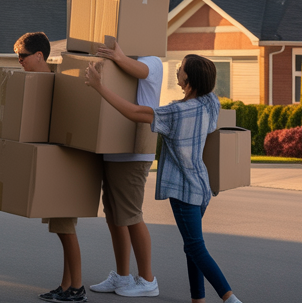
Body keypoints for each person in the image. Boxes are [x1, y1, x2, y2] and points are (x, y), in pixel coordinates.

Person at [84, 53, 246, 303]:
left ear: (188, 78)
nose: (177, 72)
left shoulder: (175, 113)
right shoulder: (210, 103)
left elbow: (135, 112)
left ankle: (230, 298)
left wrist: (99, 86)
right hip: (202, 186)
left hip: (183, 189)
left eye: (180, 69)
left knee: (194, 246)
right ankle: (198, 299)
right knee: (192, 245)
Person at [14, 32, 86, 303]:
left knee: (66, 230)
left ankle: (77, 289)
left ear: (39, 56)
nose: (19, 61)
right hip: (54, 163)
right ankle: (66, 285)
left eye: (22, 56)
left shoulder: (55, 83)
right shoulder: (40, 83)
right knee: (62, 229)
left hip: (64, 165)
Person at [87, 41, 162, 298]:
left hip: (134, 150)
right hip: (112, 148)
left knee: (131, 214)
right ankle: (122, 275)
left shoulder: (152, 60)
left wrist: (118, 56)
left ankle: (148, 280)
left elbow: (140, 71)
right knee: (114, 215)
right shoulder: (118, 60)